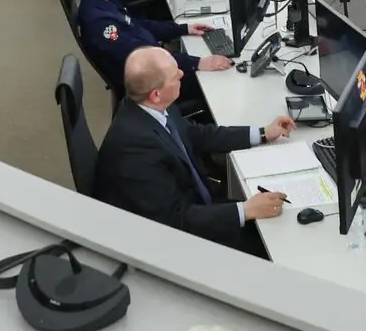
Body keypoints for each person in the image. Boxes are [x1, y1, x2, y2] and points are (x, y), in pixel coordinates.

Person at [93, 47, 291, 250]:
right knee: (280, 241)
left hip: (195, 204)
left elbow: (197, 134)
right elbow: (175, 219)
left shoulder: (149, 105)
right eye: (174, 75)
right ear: (156, 94)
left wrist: (263, 133)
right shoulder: (135, 150)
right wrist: (245, 210)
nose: (181, 73)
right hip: (175, 241)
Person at [75, 0, 231, 94]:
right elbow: (146, 60)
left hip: (155, 62)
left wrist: (183, 29)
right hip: (149, 84)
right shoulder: (100, 23)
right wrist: (198, 63)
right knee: (221, 78)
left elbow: (137, 25)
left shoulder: (104, 2)